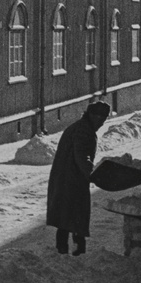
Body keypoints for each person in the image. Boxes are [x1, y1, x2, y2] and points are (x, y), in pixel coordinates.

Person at [46, 100, 111, 256]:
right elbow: (82, 155)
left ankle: (63, 252)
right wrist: (92, 174)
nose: (102, 123)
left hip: (67, 178)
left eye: (104, 119)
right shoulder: (84, 131)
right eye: (100, 118)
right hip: (73, 180)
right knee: (76, 217)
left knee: (66, 218)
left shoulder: (80, 127)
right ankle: (76, 253)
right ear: (92, 115)